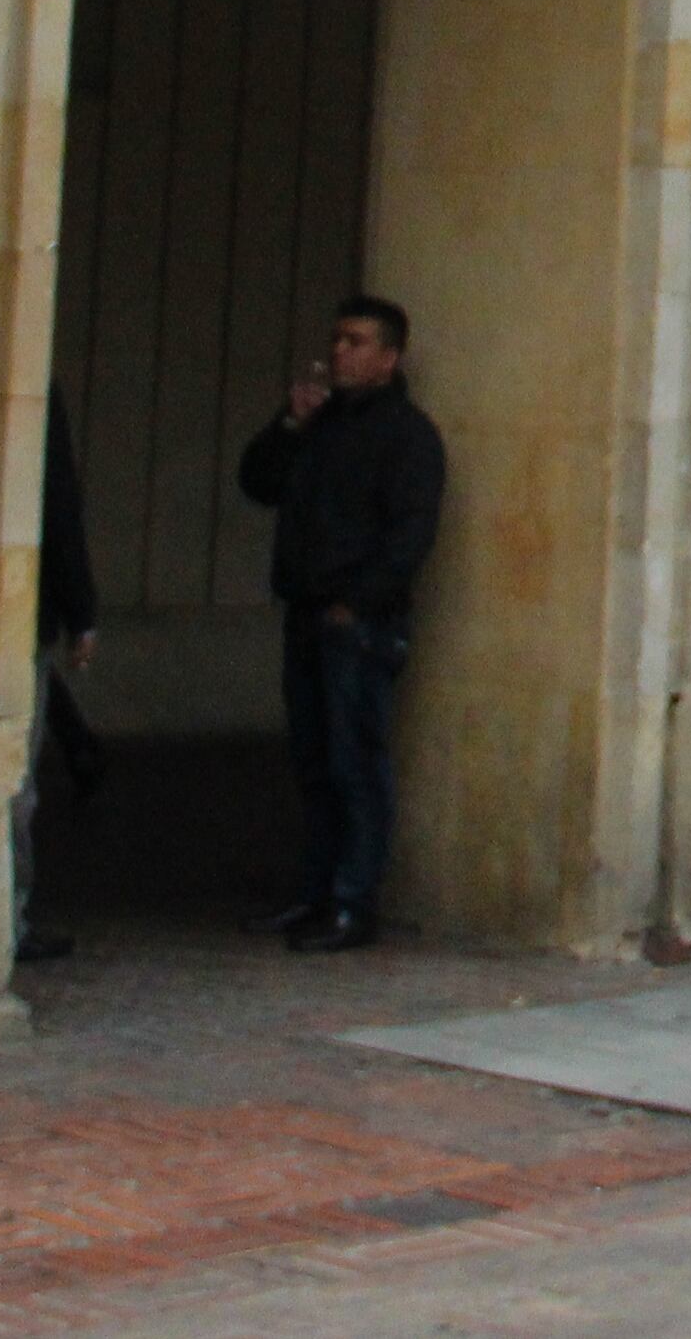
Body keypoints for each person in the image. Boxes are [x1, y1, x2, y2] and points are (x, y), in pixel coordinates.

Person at [238, 294, 445, 951]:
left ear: (388, 357)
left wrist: (356, 602)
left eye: (356, 342)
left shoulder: (408, 437)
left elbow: (409, 536)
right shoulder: (322, 426)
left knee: (356, 763)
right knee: (313, 762)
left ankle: (354, 901)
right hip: (306, 613)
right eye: (337, 340)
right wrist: (288, 424)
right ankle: (315, 894)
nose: (340, 353)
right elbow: (259, 482)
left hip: (357, 625)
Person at [11, 386, 100, 963]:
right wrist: (81, 611)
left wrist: (78, 608)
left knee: (13, 783)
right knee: (15, 782)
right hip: (19, 610)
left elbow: (58, 503)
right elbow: (59, 501)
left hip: (19, 611)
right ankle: (7, 920)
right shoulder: (32, 391)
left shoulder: (35, 391)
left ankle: (4, 920)